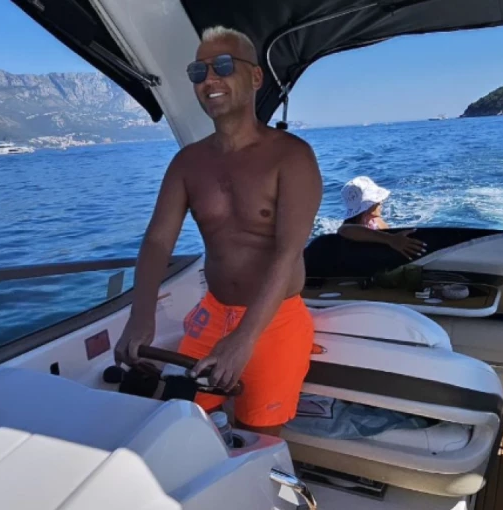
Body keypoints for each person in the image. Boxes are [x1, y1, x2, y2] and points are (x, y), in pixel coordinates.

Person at [114, 25, 323, 436]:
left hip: (274, 321)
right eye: (199, 72)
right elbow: (158, 240)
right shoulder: (187, 163)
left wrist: (245, 337)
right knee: (181, 427)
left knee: (258, 437)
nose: (209, 79)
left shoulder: (292, 156)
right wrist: (141, 317)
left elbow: (288, 252)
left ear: (256, 77)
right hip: (211, 313)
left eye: (223, 66)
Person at [337, 176, 426, 260]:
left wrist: (395, 239)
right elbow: (343, 230)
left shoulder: (376, 221)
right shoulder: (349, 227)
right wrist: (390, 239)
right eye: (377, 201)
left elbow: (390, 234)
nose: (380, 202)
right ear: (367, 205)